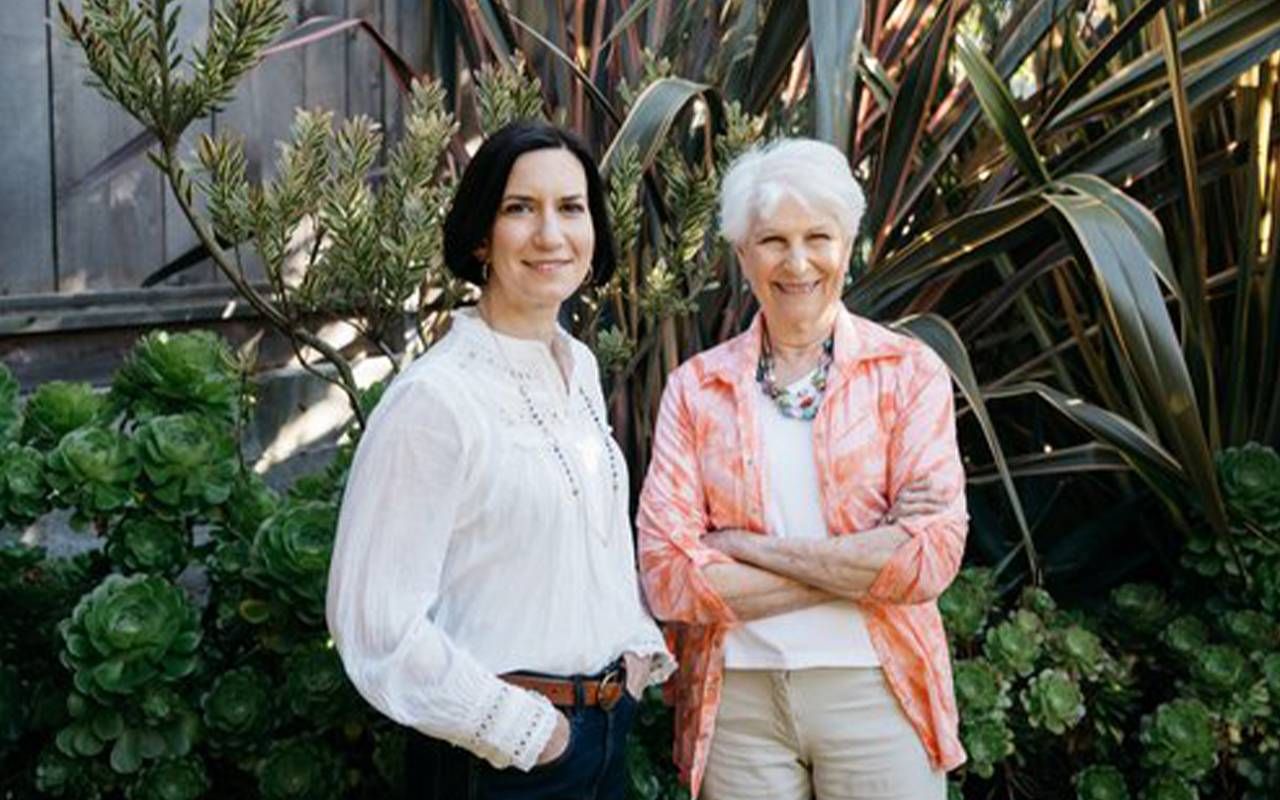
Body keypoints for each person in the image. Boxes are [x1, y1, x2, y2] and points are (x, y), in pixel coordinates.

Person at [326, 121, 674, 799]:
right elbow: (374, 622)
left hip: (604, 736)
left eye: (571, 208)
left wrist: (632, 651)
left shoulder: (573, 366)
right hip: (501, 762)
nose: (551, 234)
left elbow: (589, 539)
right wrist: (529, 734)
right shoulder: (437, 401)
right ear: (481, 236)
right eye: (521, 208)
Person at [636, 138, 968, 800]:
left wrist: (745, 550)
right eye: (772, 241)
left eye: (819, 236)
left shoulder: (907, 375)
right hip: (739, 704)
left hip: (878, 689)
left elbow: (929, 558)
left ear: (847, 244)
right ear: (741, 254)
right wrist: (863, 568)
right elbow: (669, 579)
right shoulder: (697, 389)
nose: (797, 262)